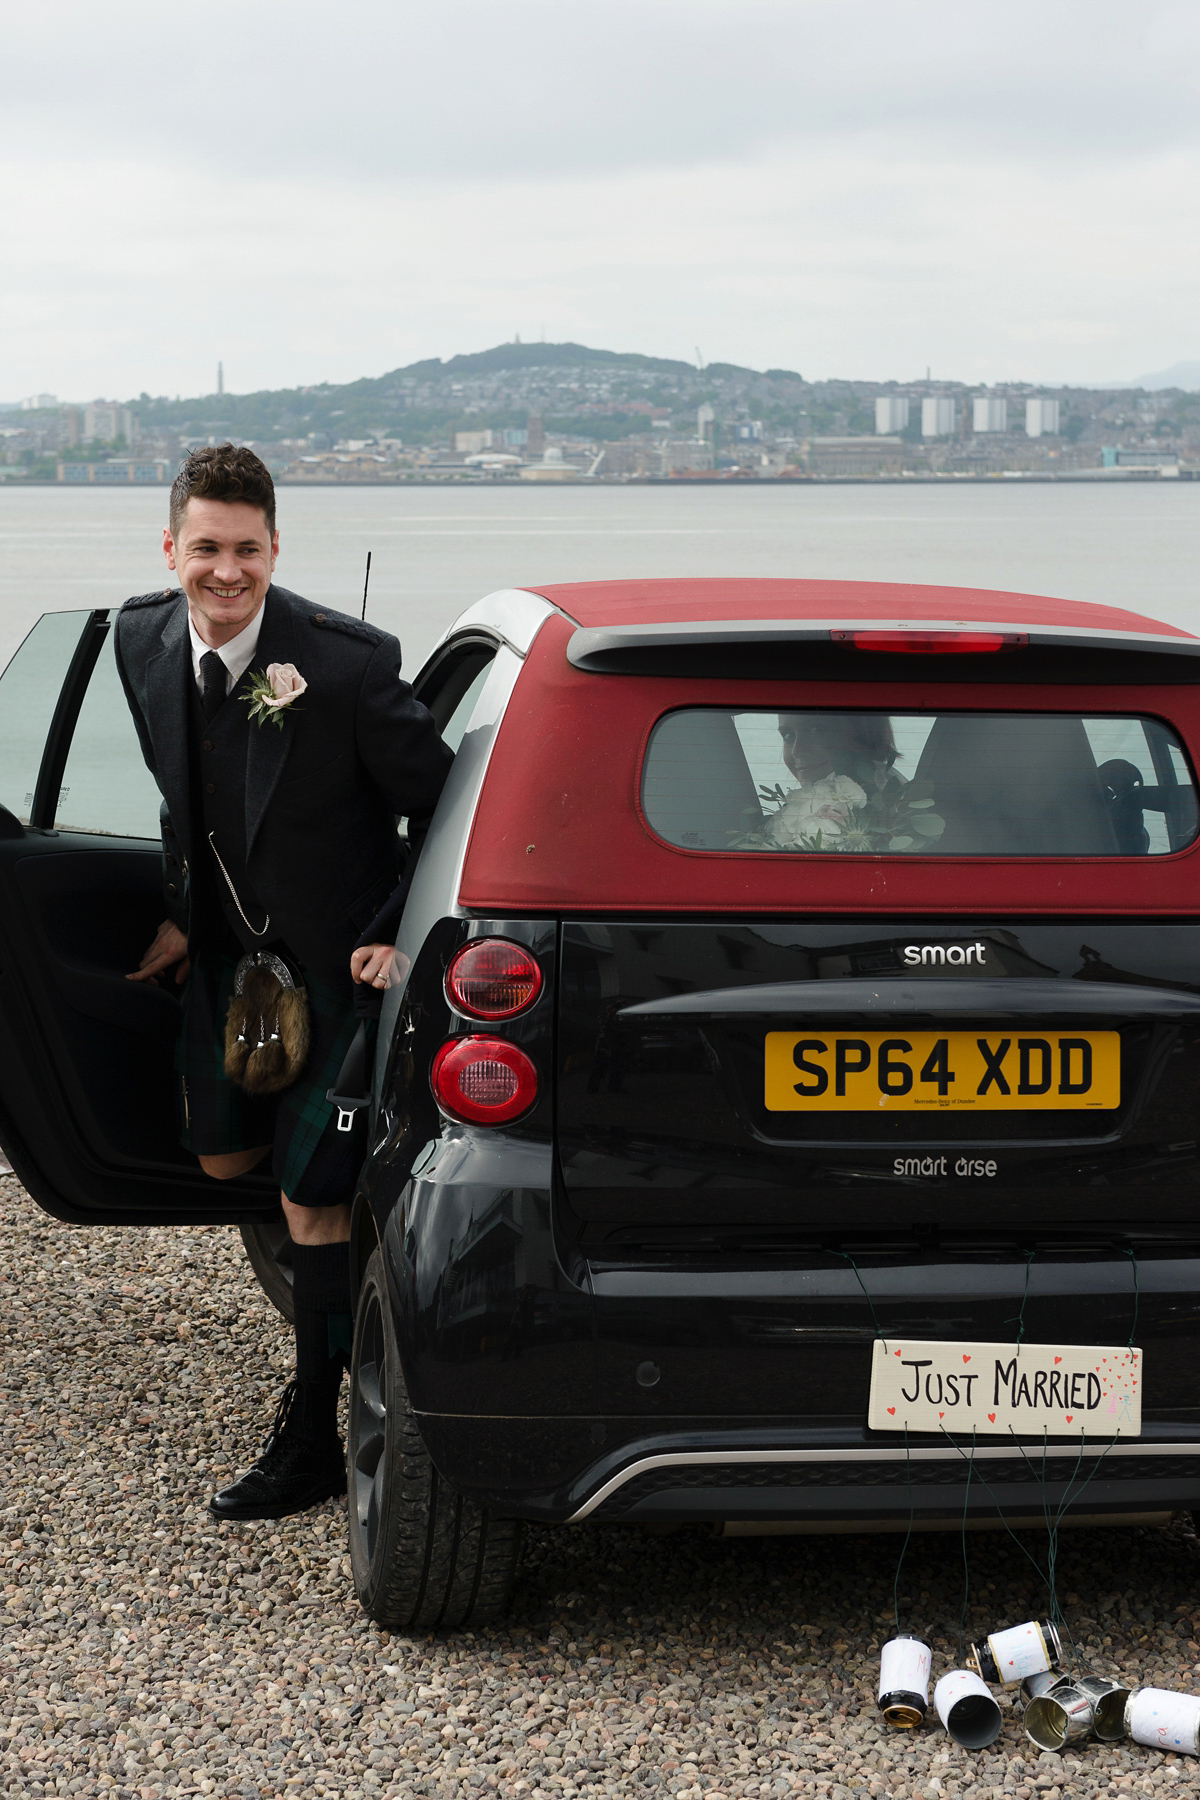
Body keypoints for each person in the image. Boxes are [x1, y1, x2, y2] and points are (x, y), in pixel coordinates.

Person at [116, 444, 452, 1521]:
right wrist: (180, 914)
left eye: (247, 550)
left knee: (306, 1202)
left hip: (338, 958)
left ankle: (314, 1431)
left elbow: (438, 806)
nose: (226, 571)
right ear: (170, 549)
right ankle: (335, 1231)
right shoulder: (141, 638)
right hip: (229, 957)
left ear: (275, 548)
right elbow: (185, 796)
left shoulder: (345, 666)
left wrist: (392, 929)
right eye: (205, 548)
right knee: (225, 1156)